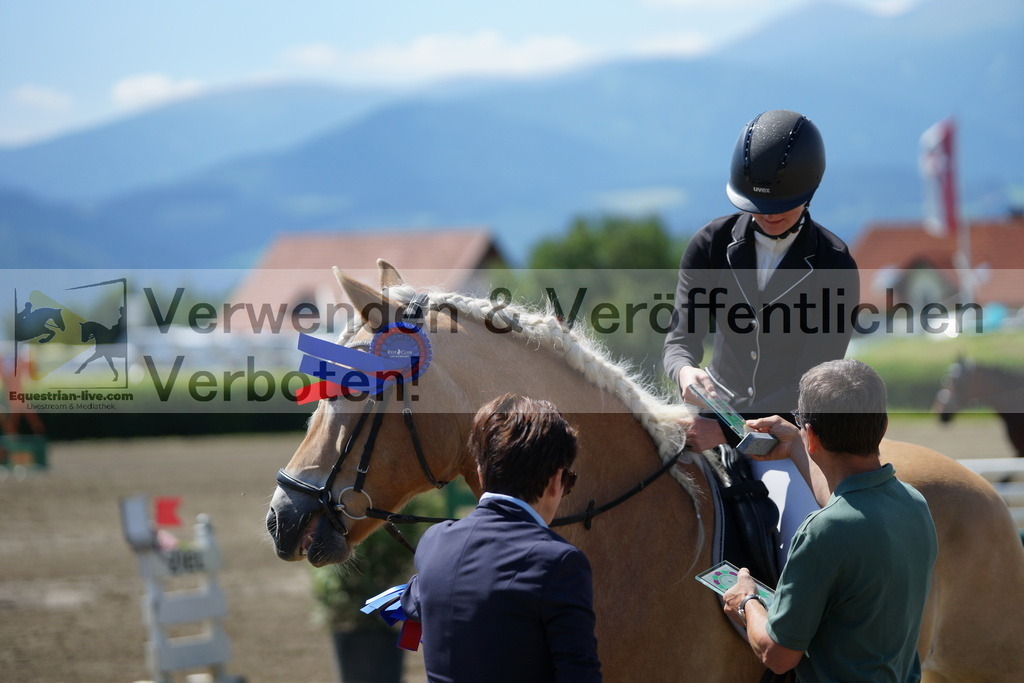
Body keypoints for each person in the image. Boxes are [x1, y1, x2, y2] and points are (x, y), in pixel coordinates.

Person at [662, 109, 860, 559]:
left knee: (802, 538)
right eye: (756, 204)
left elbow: (813, 387)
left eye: (780, 204)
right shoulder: (710, 245)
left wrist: (730, 434)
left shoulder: (835, 265)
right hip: (705, 415)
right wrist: (686, 373)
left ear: (810, 190)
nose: (767, 215)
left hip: (784, 436)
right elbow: (679, 340)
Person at [722, 359, 937, 681]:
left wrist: (746, 602)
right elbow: (847, 503)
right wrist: (796, 443)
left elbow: (777, 656)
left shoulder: (822, 531)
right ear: (884, 424)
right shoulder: (912, 502)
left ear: (812, 434)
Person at [401, 393, 602, 682]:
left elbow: (416, 600)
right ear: (556, 481)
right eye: (568, 481)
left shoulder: (434, 542)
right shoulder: (560, 562)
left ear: (481, 472)